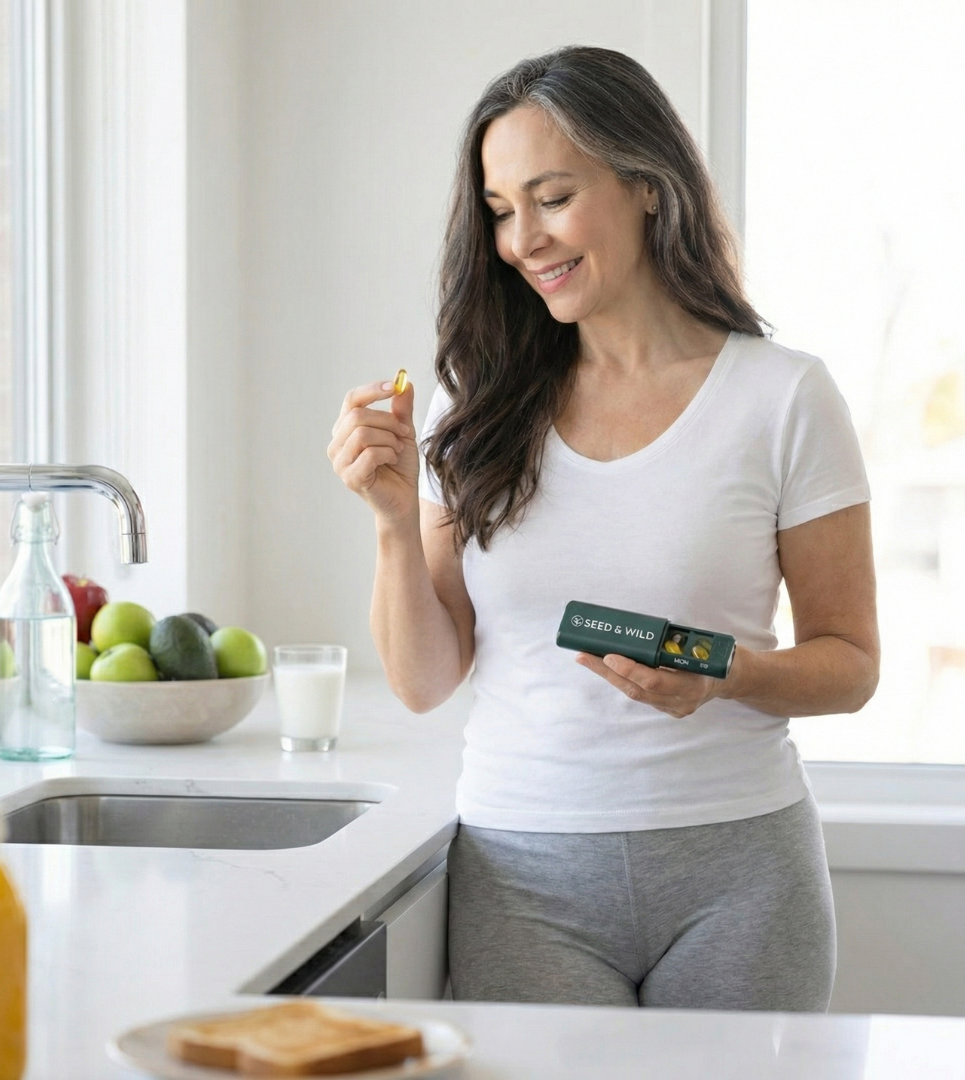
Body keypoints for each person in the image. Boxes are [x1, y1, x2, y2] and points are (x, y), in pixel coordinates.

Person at [327, 46, 879, 1011]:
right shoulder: (478, 398)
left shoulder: (784, 396)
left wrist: (724, 673)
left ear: (647, 186)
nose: (522, 240)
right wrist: (388, 522)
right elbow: (423, 681)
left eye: (551, 197)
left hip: (740, 870)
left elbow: (851, 663)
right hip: (524, 871)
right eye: (501, 211)